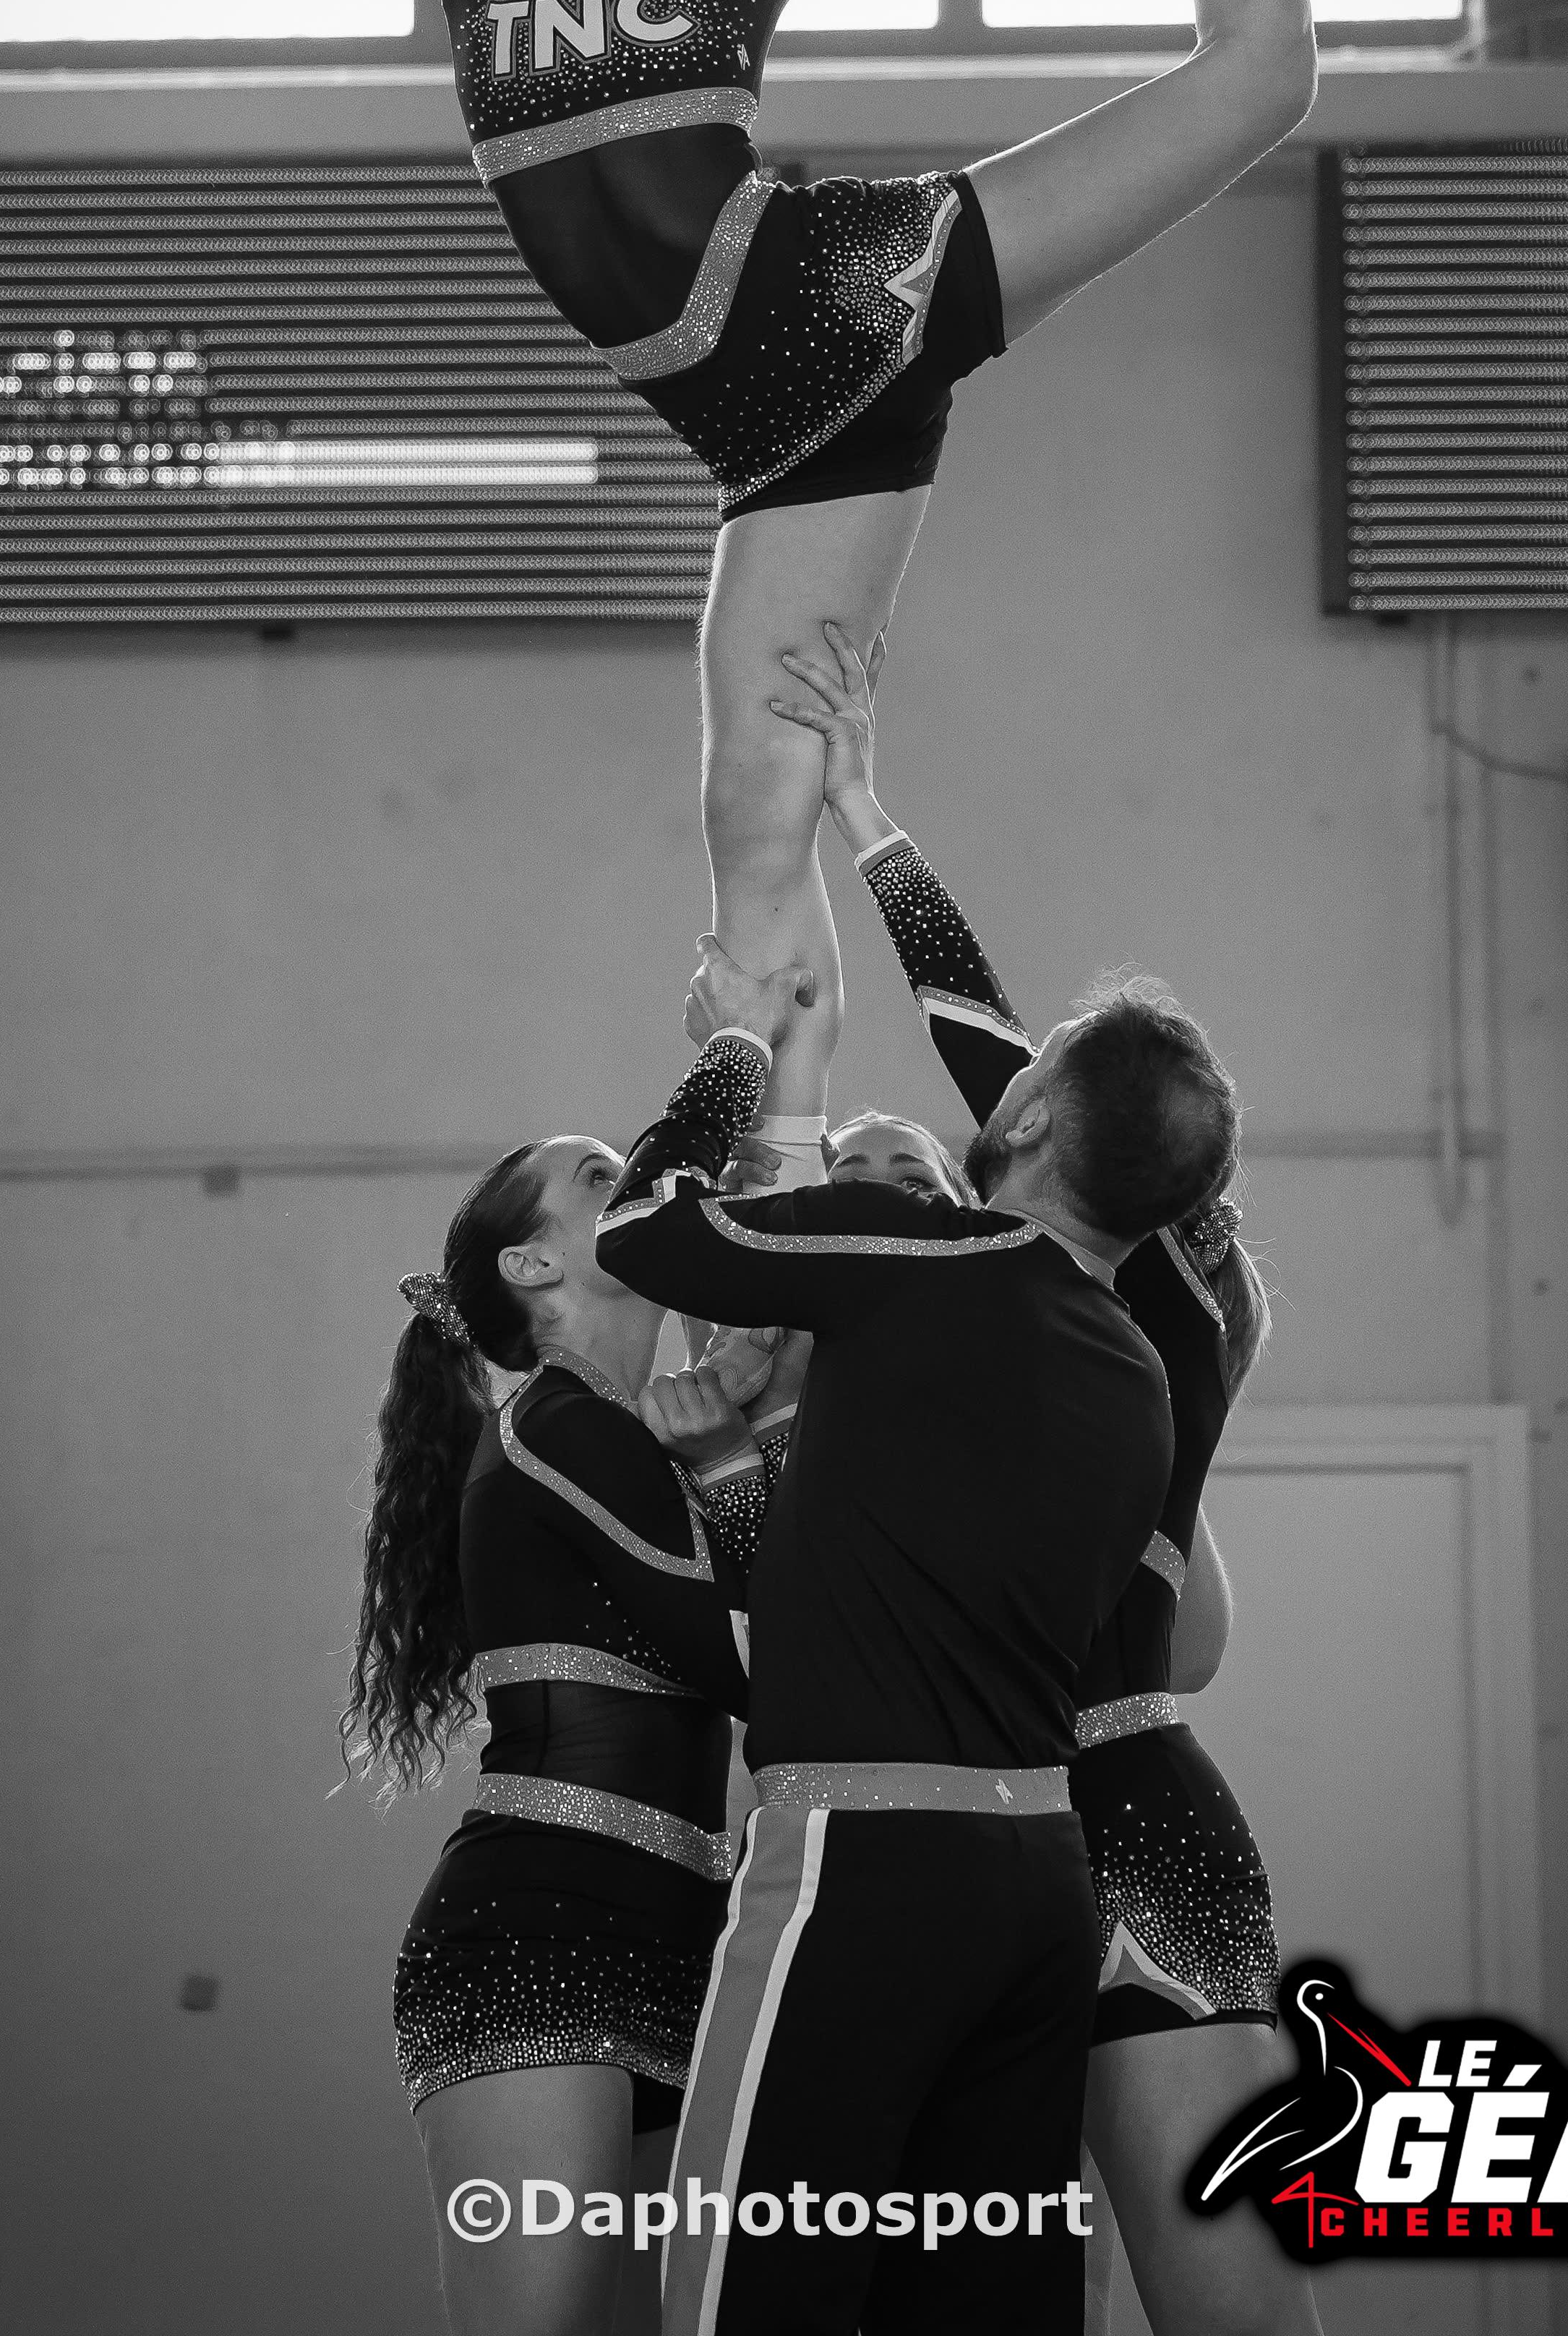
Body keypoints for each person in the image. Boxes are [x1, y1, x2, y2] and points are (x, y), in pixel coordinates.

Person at [102, 0, 1332, 1127]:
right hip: (776, 453)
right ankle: (790, 1186)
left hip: (864, 288)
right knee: (756, 842)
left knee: (1262, 77)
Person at [582, 872, 1238, 2329]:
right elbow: (893, 1565)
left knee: (743, 2295)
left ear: (1032, 1121)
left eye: (1035, 1066)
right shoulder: (1138, 1376)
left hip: (862, 1865)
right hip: (1040, 1882)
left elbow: (641, 1231)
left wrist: (736, 1050)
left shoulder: (922, 1262)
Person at [772, 622, 1321, 2335]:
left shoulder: (1115, 1272)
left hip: (1108, 1815)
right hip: (1018, 1824)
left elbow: (971, 1024)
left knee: (1211, 2299)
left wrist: (867, 813)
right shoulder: (1088, 1292)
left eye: (1037, 1080)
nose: (1003, 1093)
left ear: (1055, 1135)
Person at [349, 1137, 791, 2336]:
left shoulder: (629, 1437)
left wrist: (744, 1398)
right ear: (534, 1262)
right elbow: (766, 1663)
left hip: (681, 1941)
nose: (631, 1185)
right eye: (600, 1177)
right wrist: (734, 1453)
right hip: (538, 1937)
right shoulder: (558, 1425)